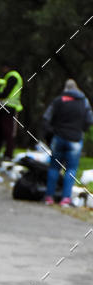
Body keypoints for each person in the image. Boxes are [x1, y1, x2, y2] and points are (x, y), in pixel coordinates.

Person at [42, 78, 93, 207]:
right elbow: (89, 120)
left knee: (54, 167)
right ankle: (65, 199)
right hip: (75, 139)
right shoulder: (84, 102)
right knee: (71, 169)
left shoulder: (58, 100)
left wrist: (51, 132)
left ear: (66, 89)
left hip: (58, 137)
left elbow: (46, 118)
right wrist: (81, 130)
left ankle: (49, 197)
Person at [0, 63, 23, 162]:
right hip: (4, 106)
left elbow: (6, 92)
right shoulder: (7, 78)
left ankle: (8, 154)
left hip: (9, 107)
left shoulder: (13, 76)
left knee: (7, 131)